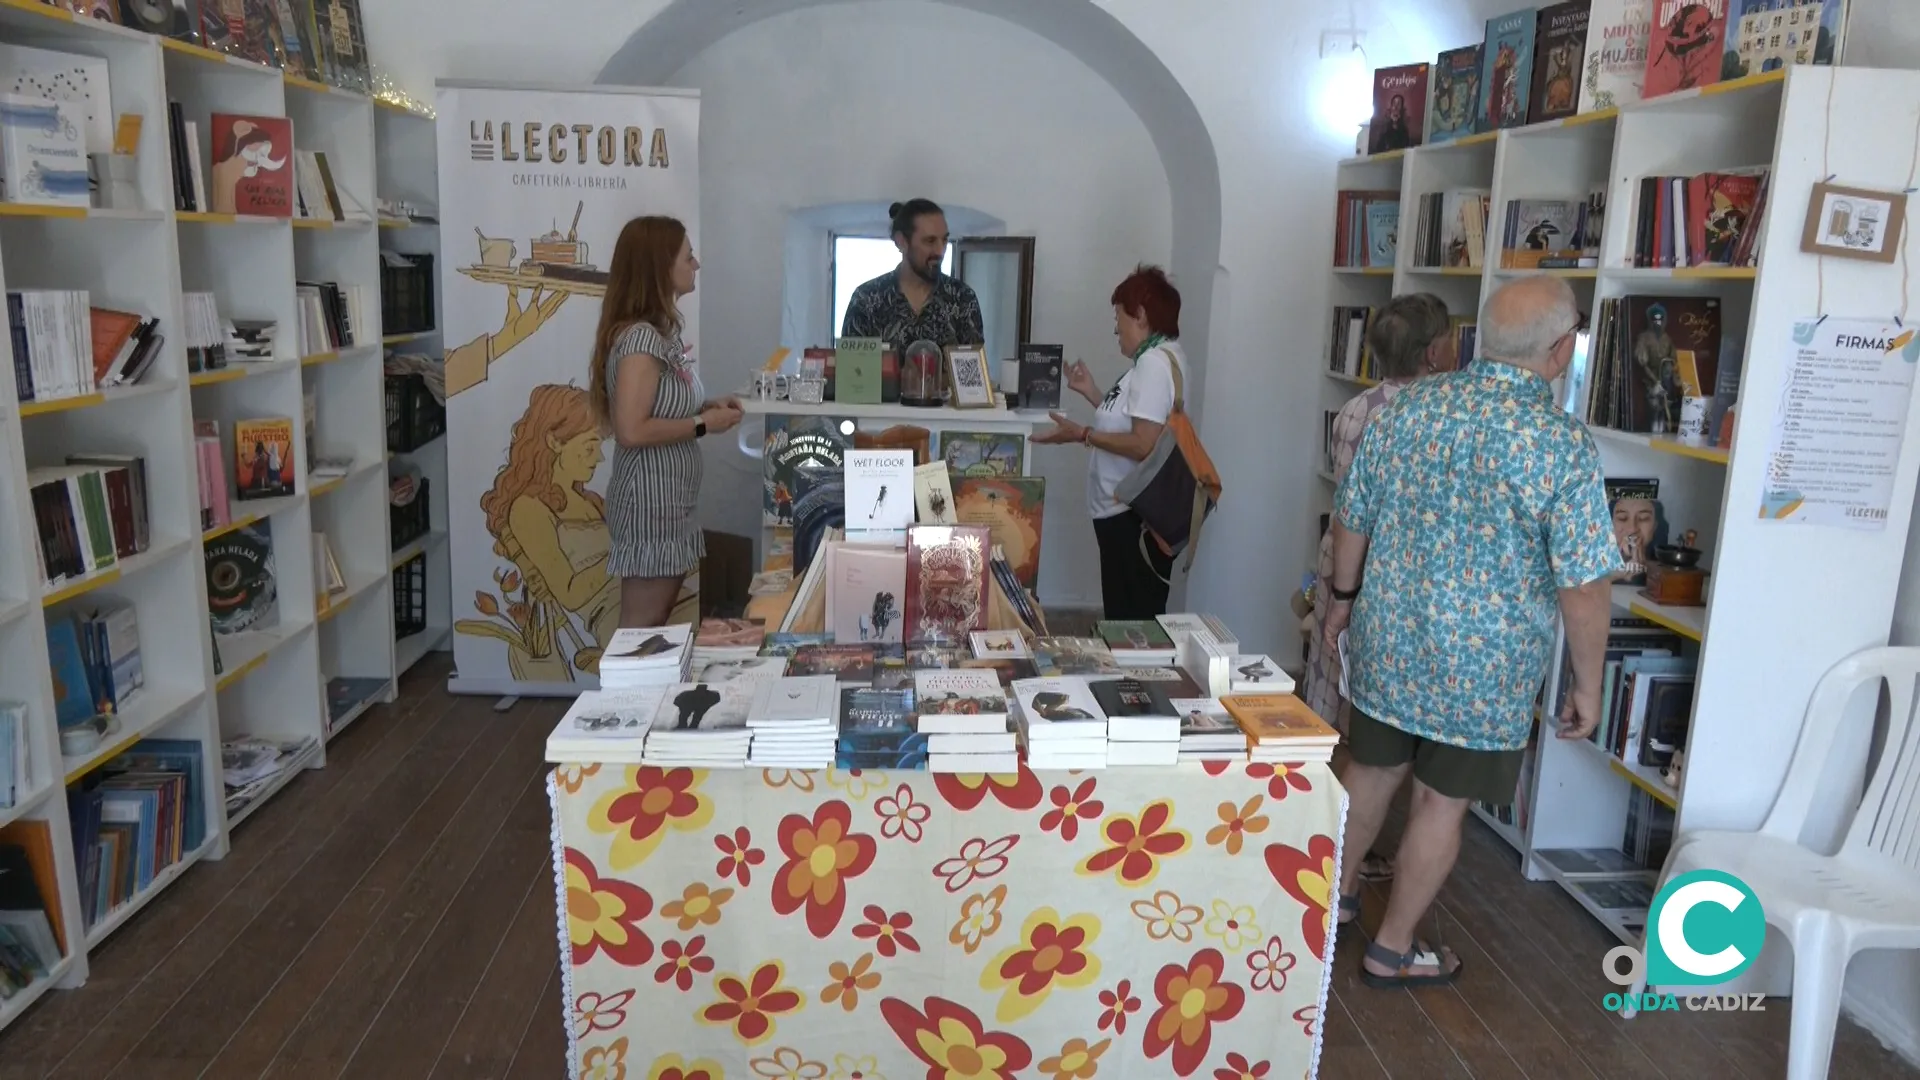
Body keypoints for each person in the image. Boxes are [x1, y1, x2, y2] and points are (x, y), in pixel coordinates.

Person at [1322, 276, 1620, 988]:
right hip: (1482, 669)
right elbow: (1583, 583)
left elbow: (1352, 516)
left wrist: (1341, 599)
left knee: (1369, 770)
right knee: (1439, 800)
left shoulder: (1410, 408)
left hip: (1390, 634)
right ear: (1558, 351)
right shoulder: (1561, 445)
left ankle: (1327, 905)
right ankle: (1392, 949)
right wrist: (1588, 683)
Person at [1303, 293, 1456, 883]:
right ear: (1434, 350)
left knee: (1339, 698)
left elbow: (1348, 498)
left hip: (1341, 556)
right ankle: (1346, 852)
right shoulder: (1436, 416)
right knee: (1380, 723)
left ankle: (1326, 837)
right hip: (1394, 571)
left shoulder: (1353, 409)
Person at [588, 216, 742, 629]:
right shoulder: (640, 339)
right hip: (649, 506)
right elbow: (632, 429)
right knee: (640, 630)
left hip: (670, 504)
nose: (696, 264)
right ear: (660, 267)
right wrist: (703, 424)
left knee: (651, 628)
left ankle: (635, 694)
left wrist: (708, 406)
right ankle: (620, 697)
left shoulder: (659, 333)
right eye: (688, 257)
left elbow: (661, 405)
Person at [1034, 265, 1189, 620]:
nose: (1116, 328)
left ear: (1141, 315)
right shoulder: (1161, 357)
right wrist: (1091, 392)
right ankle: (1134, 676)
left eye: (1118, 315)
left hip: (1132, 518)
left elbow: (1143, 444)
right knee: (1133, 618)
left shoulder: (1152, 364)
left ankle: (1134, 678)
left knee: (1130, 623)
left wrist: (1082, 434)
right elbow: (1136, 423)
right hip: (1127, 514)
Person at [468, 384, 620, 682]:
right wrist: (625, 555)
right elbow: (571, 593)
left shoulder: (590, 502)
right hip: (620, 615)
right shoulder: (529, 509)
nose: (599, 458)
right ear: (554, 441)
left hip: (647, 591)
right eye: (590, 446)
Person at [840, 198, 985, 353]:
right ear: (901, 241)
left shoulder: (962, 298)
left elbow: (973, 373)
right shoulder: (866, 300)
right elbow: (851, 373)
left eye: (944, 240)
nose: (940, 251)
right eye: (930, 241)